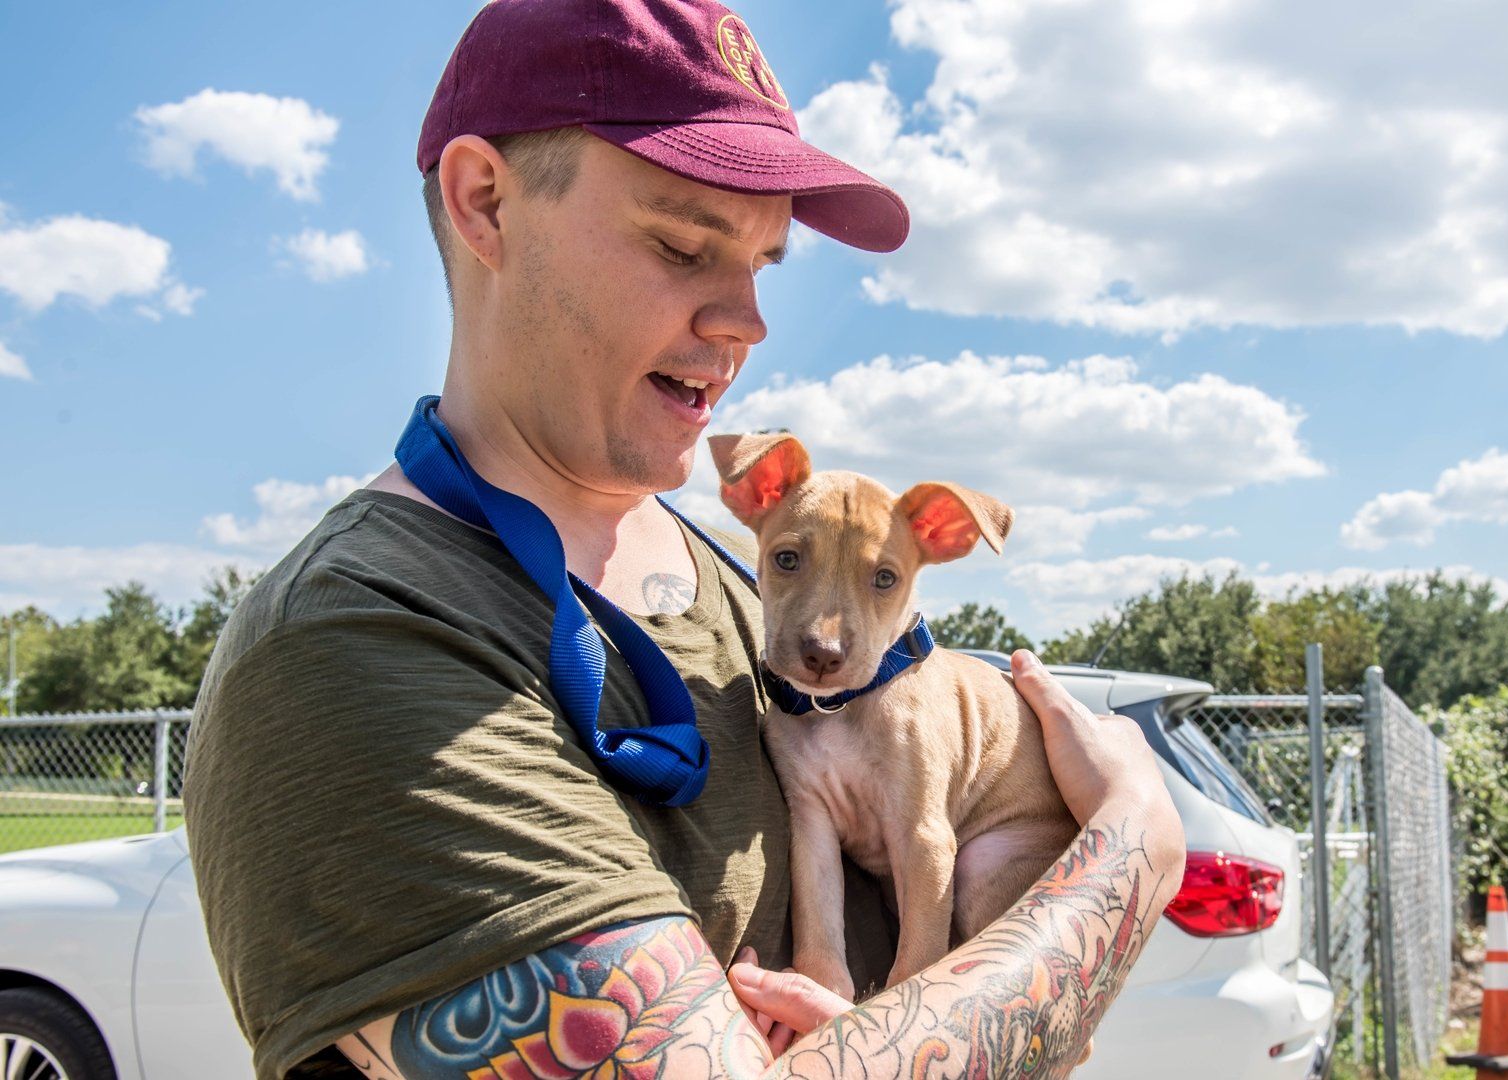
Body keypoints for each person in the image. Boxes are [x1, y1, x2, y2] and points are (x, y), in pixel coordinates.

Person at [182, 1, 1185, 1077]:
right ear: (486, 205)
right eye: (683, 243)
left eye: (763, 262)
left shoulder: (750, 596)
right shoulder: (356, 643)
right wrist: (1129, 857)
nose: (748, 319)